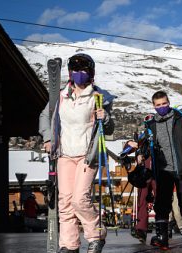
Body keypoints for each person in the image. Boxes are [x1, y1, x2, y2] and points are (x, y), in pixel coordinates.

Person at [39, 53, 115, 253]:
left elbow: (109, 128)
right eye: (75, 70)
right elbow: (44, 116)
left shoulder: (98, 97)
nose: (79, 74)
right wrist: (48, 138)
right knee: (65, 201)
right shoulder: (61, 96)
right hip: (64, 154)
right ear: (70, 73)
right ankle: (69, 245)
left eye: (83, 70)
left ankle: (97, 235)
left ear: (90, 72)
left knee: (80, 199)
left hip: (87, 155)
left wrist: (104, 117)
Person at [136, 90, 182, 250]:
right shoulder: (151, 125)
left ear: (169, 103)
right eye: (158, 105)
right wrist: (141, 154)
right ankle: (162, 237)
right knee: (161, 204)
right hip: (163, 171)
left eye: (164, 104)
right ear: (153, 106)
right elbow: (146, 145)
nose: (162, 107)